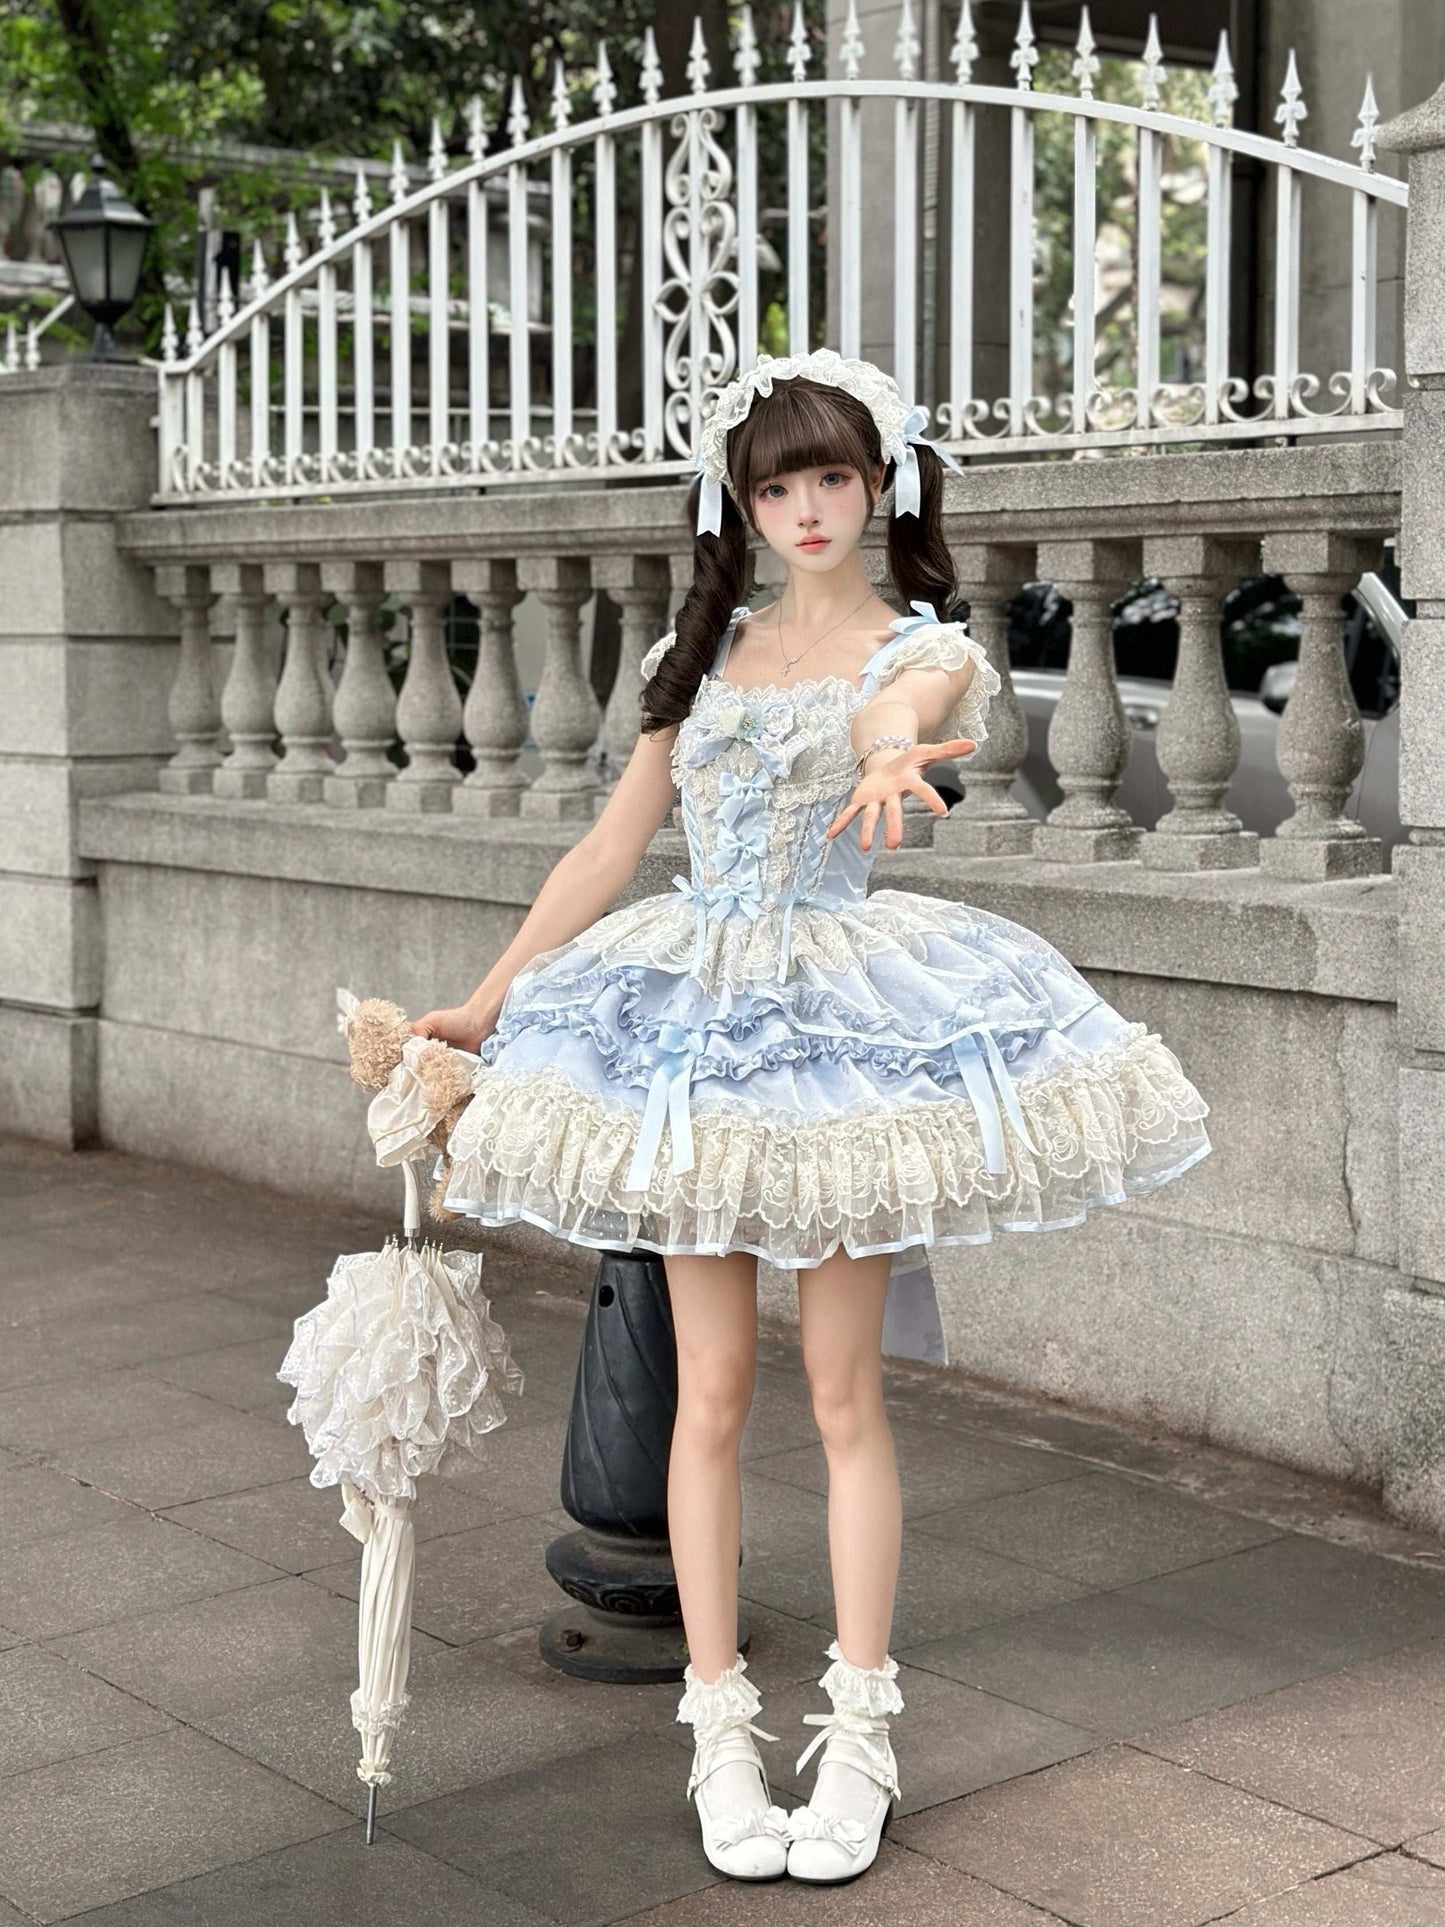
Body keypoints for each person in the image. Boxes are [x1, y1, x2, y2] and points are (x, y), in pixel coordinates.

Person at [411, 348, 1213, 1886]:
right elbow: (609, 848)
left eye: (832, 476)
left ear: (882, 483)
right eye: (776, 484)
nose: (806, 508)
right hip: (694, 1034)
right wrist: (489, 1000)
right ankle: (718, 1731)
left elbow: (892, 714)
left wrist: (890, 746)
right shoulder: (698, 652)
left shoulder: (921, 646)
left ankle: (858, 1733)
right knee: (707, 1395)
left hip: (838, 1034)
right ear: (741, 503)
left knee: (845, 1395)